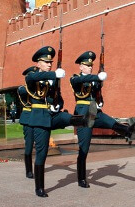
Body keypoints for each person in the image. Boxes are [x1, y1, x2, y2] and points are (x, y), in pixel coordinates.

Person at [25, 46, 94, 197]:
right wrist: (53, 74)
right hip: (39, 118)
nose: (49, 64)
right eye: (46, 62)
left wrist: (58, 104)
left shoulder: (52, 80)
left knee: (64, 116)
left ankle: (83, 119)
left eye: (51, 62)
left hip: (52, 115)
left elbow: (59, 99)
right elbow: (33, 79)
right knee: (42, 154)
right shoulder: (31, 75)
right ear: (38, 63)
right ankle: (39, 188)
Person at [70, 51, 135, 188]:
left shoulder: (94, 79)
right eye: (86, 65)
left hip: (95, 112)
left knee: (111, 122)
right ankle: (81, 178)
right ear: (80, 67)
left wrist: (100, 97)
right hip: (84, 115)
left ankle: (128, 131)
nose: (90, 67)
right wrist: (97, 77)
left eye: (91, 65)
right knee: (84, 149)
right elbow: (80, 81)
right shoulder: (75, 78)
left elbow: (97, 94)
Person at [17, 67, 36, 179]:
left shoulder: (38, 88)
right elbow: (26, 92)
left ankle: (38, 166)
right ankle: (28, 170)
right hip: (28, 119)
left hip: (38, 117)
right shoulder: (22, 89)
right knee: (29, 146)